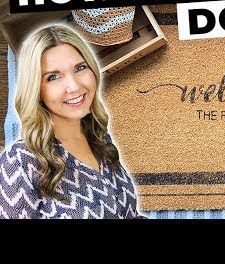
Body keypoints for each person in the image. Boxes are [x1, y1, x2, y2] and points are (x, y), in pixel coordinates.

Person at [0, 24, 145, 219]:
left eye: (80, 68)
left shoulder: (99, 138)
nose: (74, 86)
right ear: (36, 89)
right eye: (53, 77)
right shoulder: (19, 161)